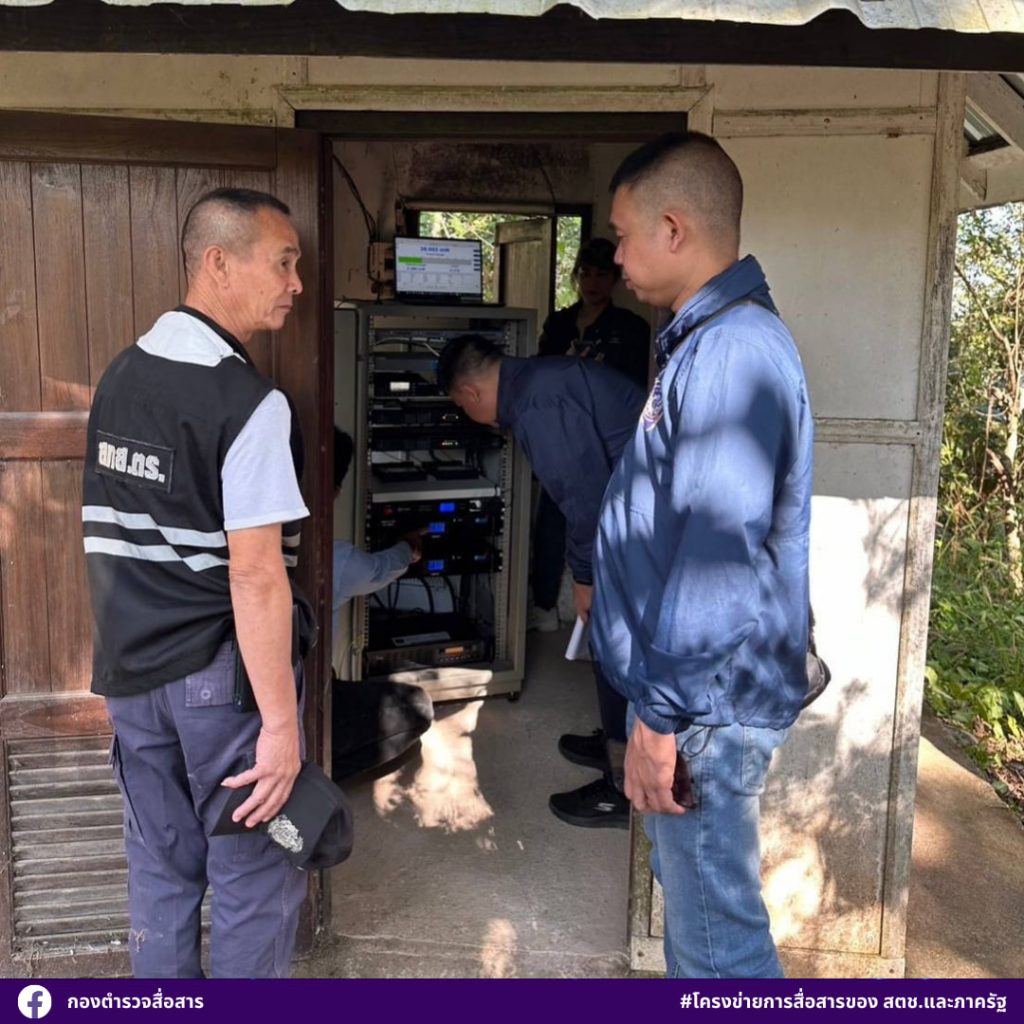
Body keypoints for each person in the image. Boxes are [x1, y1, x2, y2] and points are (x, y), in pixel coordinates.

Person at [590, 132, 814, 978]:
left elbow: (715, 564)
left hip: (702, 709)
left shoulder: (732, 352)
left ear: (674, 228)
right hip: (694, 701)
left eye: (623, 236)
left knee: (719, 949)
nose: (615, 257)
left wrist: (658, 719)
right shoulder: (704, 340)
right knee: (702, 927)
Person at [82, 187, 313, 978]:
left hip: (131, 673)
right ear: (218, 262)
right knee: (253, 878)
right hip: (219, 684)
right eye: (283, 263)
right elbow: (256, 575)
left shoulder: (120, 377)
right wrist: (279, 727)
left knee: (160, 872)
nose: (296, 284)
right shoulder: (248, 402)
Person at [437, 334, 645, 828]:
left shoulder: (539, 405)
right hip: (633, 518)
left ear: (468, 393)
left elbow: (586, 499)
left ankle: (623, 787)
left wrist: (585, 576)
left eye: (461, 406)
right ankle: (616, 741)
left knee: (616, 647)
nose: (467, 413)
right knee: (611, 648)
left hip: (637, 529)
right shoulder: (538, 381)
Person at [530, 238, 650, 632]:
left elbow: (637, 387)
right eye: (585, 273)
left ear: (614, 279)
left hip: (611, 440)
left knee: (610, 522)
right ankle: (543, 604)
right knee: (552, 521)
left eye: (601, 274)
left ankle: (607, 612)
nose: (592, 282)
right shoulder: (559, 323)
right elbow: (538, 374)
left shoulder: (631, 328)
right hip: (562, 435)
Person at [330, 427, 434, 780]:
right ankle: (316, 767)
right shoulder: (337, 559)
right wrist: (409, 545)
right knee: (417, 705)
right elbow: (381, 568)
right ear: (336, 490)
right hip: (304, 700)